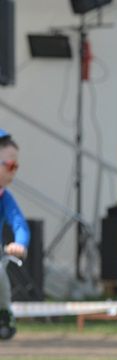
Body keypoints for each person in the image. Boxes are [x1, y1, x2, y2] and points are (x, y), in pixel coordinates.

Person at [0, 130, 29, 340]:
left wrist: (19, 243)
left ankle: (4, 313)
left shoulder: (5, 198)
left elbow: (19, 224)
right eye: (10, 165)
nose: (14, 171)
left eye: (16, 166)